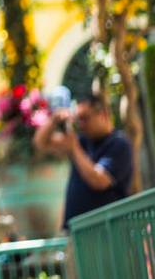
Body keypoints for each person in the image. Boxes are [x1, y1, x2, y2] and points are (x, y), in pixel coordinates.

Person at [33, 91, 133, 229]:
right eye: (78, 119)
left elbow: (99, 180)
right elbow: (41, 143)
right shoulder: (82, 141)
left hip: (107, 230)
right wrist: (54, 120)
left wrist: (74, 148)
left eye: (85, 118)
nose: (81, 125)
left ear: (103, 115)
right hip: (77, 231)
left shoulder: (119, 144)